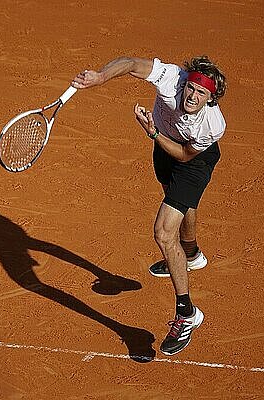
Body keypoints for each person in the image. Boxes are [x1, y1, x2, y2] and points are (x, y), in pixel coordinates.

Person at [71, 56, 226, 355]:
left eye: (201, 93)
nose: (192, 96)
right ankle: (191, 254)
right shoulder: (172, 78)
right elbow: (130, 63)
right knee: (178, 200)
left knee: (165, 233)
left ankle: (187, 314)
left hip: (191, 159)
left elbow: (184, 155)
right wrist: (101, 77)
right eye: (191, 88)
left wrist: (153, 133)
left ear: (211, 98)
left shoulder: (212, 124)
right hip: (164, 148)